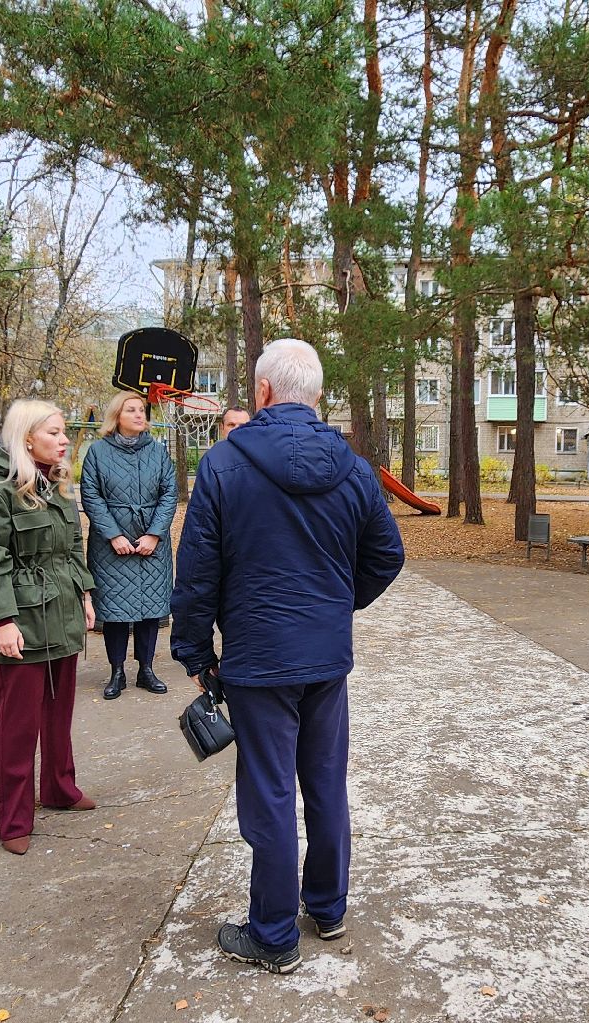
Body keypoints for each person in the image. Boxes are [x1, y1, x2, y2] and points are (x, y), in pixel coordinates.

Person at [171, 339, 404, 974]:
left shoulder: (222, 465)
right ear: (316, 394)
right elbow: (387, 555)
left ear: (265, 392)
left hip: (257, 659)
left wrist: (194, 649)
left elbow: (196, 573)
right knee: (325, 781)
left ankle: (274, 933)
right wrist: (335, 606)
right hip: (323, 658)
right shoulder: (355, 469)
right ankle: (327, 907)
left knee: (269, 792)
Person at [0, 400, 101, 855]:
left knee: (58, 713)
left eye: (64, 433)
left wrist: (84, 593)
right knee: (19, 724)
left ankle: (60, 789)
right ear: (27, 438)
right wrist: (3, 619)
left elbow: (73, 546)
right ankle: (15, 819)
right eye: (55, 433)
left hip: (61, 609)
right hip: (22, 617)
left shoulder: (59, 485)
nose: (65, 441)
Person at [80, 390, 177, 700]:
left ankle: (146, 669)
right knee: (116, 607)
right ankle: (117, 670)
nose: (140, 415)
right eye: (131, 410)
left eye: (142, 410)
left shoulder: (158, 451)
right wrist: (113, 534)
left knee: (150, 607)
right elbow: (91, 496)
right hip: (111, 545)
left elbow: (169, 493)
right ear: (116, 416)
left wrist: (154, 534)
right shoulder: (97, 452)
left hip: (151, 541)